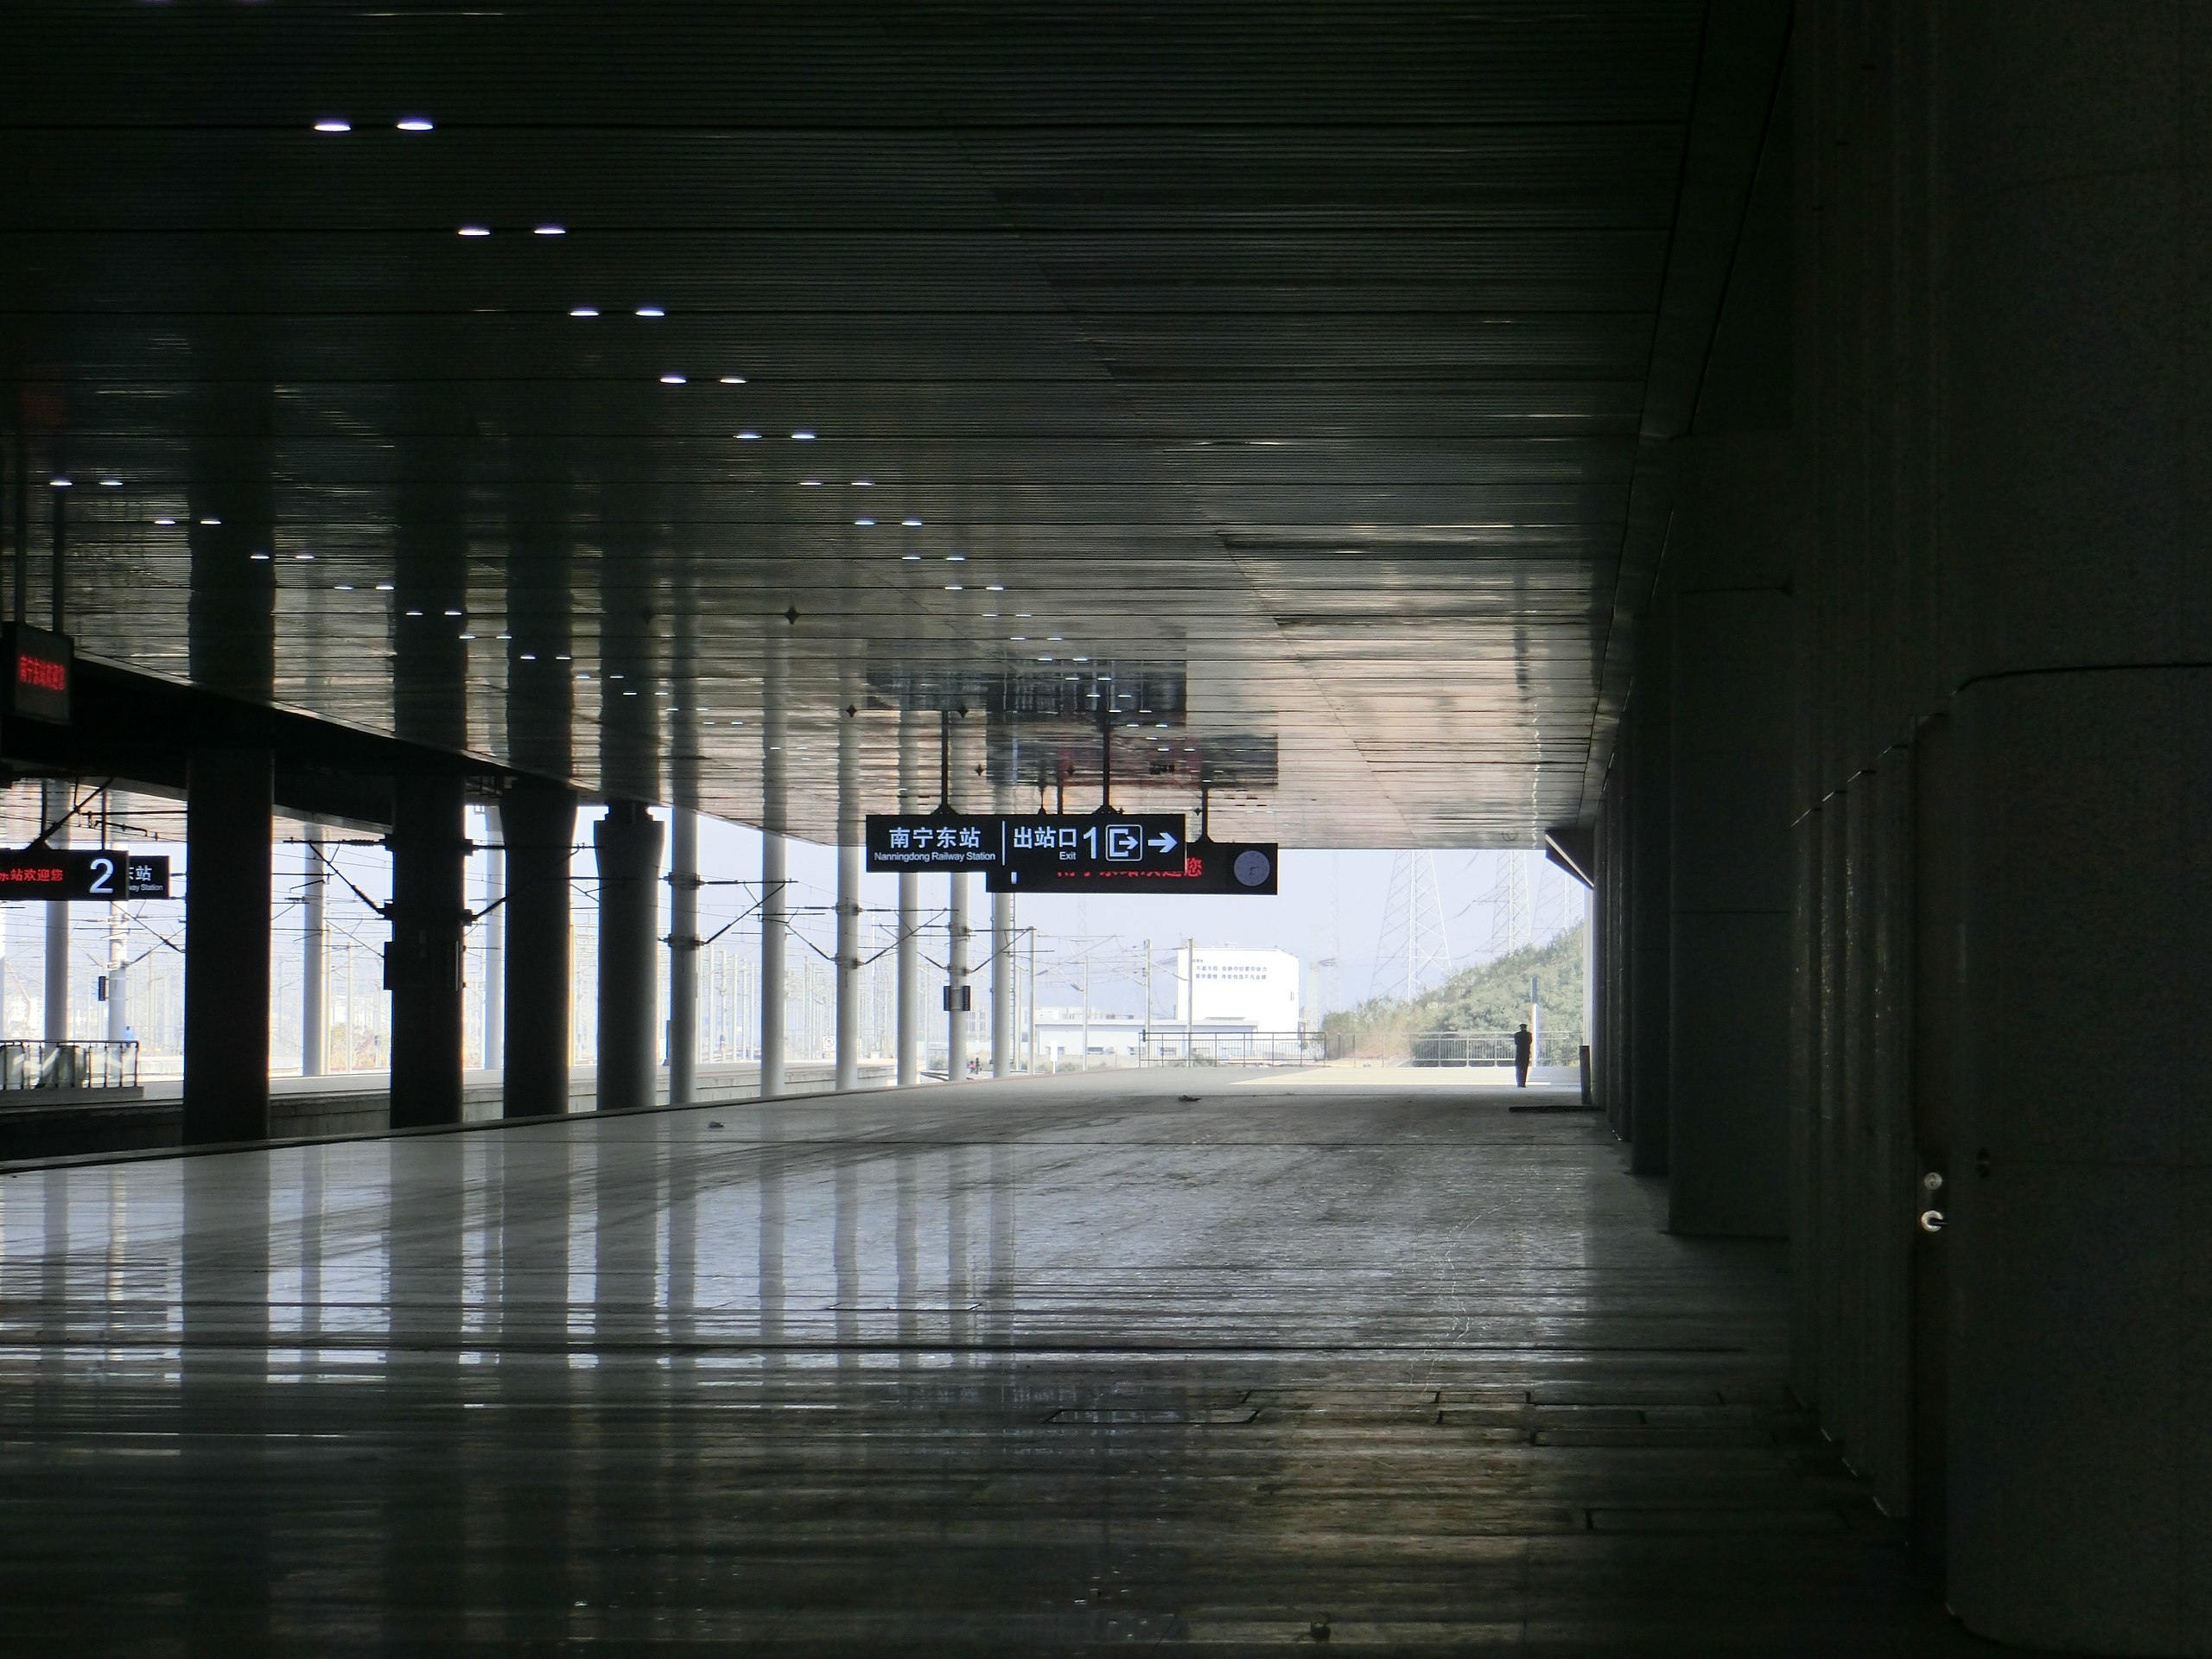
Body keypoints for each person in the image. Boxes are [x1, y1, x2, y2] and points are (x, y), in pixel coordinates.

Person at [1512, 1023, 1533, 1088]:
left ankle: (1519, 1082)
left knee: (1518, 1068)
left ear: (1520, 1028)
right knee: (1525, 1068)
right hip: (1526, 1052)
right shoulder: (1529, 1035)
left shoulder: (1517, 1035)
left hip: (1519, 1052)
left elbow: (1516, 1043)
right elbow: (1530, 1042)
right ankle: (1523, 1083)